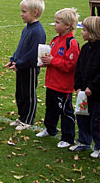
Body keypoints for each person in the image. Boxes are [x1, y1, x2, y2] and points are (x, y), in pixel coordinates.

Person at [70, 17, 100, 158]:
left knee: (99, 119)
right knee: (82, 117)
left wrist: (93, 87)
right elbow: (78, 69)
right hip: (84, 94)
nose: (82, 33)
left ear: (93, 32)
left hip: (99, 95)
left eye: (84, 30)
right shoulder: (85, 48)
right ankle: (84, 141)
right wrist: (78, 86)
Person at [36, 8, 80, 148]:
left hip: (63, 86)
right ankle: (50, 129)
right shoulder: (55, 40)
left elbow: (70, 65)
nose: (54, 25)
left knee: (65, 111)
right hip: (52, 83)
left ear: (67, 25)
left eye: (57, 22)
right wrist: (44, 62)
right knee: (51, 108)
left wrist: (52, 61)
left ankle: (68, 137)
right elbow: (51, 58)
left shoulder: (71, 43)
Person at [5, 0, 46, 130]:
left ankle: (28, 120)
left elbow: (34, 53)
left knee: (28, 94)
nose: (21, 14)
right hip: (21, 66)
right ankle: (21, 117)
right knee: (20, 94)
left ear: (34, 12)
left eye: (24, 12)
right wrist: (13, 59)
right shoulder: (27, 28)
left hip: (30, 68)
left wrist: (20, 64)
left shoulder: (38, 31)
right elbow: (21, 47)